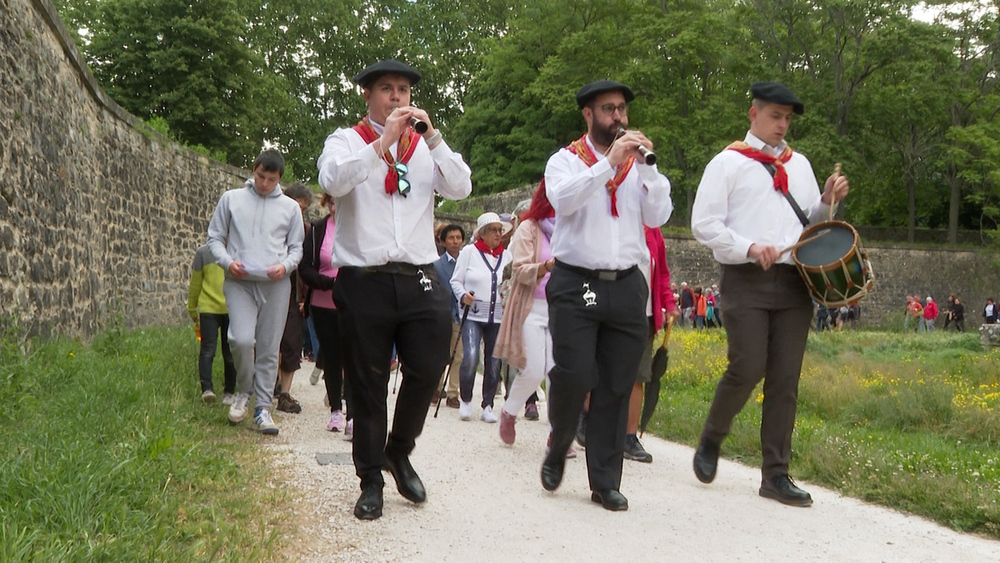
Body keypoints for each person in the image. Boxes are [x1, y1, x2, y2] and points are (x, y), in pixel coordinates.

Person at [316, 59, 472, 520]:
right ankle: (369, 479)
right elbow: (332, 180)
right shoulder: (345, 140)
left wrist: (435, 138)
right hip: (365, 278)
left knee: (427, 367)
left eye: (403, 89)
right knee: (367, 381)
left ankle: (398, 449)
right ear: (367, 95)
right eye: (387, 89)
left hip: (420, 273)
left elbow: (461, 187)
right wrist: (380, 144)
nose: (397, 97)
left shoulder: (423, 144)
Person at [690, 81, 849, 507]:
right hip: (746, 278)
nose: (782, 125)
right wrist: (747, 247)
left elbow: (810, 223)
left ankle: (775, 474)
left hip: (796, 281)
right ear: (753, 114)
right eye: (775, 116)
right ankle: (712, 437)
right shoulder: (727, 163)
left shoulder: (801, 165)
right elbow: (704, 224)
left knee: (785, 378)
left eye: (787, 118)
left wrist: (827, 202)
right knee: (748, 366)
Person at [540, 79, 672, 512]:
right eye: (609, 109)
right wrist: (606, 165)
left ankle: (605, 480)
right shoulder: (565, 161)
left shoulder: (637, 168)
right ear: (588, 115)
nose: (618, 117)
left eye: (622, 110)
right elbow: (563, 201)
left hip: (626, 285)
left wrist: (648, 170)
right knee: (575, 374)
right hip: (577, 282)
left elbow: (659, 215)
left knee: (617, 383)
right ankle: (559, 443)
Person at [207, 150, 304, 436]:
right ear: (254, 169)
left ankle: (262, 408)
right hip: (239, 281)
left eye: (271, 179)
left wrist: (285, 267)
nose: (263, 183)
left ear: (279, 179)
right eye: (260, 176)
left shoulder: (290, 208)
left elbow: (297, 248)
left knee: (269, 345)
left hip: (275, 284)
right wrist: (227, 262)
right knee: (239, 338)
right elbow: (214, 238)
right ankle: (243, 391)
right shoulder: (231, 199)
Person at [494, 185, 566, 448]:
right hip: (532, 308)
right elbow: (520, 269)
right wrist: (547, 266)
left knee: (557, 372)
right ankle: (510, 411)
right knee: (534, 369)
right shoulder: (528, 228)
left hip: (563, 310)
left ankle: (558, 434)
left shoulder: (571, 230)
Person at [622, 225, 679, 463]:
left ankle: (629, 437)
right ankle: (589, 421)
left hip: (644, 315)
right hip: (612, 311)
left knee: (638, 376)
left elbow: (662, 274)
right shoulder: (615, 220)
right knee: (602, 372)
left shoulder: (653, 232)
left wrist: (668, 303)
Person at [450, 212, 513, 423]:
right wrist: (463, 295)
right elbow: (455, 281)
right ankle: (466, 399)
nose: (498, 234)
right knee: (470, 357)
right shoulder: (469, 252)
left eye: (500, 230)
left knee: (494, 362)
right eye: (494, 230)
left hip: (498, 316)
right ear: (483, 233)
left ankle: (488, 405)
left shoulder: (507, 256)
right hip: (474, 314)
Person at [298, 192, 352, 436]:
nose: (334, 207)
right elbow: (305, 267)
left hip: (354, 303)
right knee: (331, 357)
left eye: (339, 203)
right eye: (331, 202)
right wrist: (328, 283)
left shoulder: (360, 229)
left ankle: (354, 414)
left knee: (353, 358)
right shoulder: (318, 230)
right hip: (323, 303)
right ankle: (335, 410)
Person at [275, 183, 314, 414]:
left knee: (291, 343)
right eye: (296, 207)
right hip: (272, 289)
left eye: (303, 209)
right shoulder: (274, 227)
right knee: (269, 342)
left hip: (295, 295)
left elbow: (307, 267)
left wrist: (305, 297)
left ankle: (284, 393)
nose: (299, 213)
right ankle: (267, 386)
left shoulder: (308, 232)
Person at [187, 244, 237, 404]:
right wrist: (192, 309)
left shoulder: (237, 250)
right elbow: (195, 283)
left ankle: (229, 391)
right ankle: (207, 390)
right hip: (209, 309)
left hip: (232, 308)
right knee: (208, 350)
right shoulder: (203, 253)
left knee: (230, 353)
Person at [432, 224, 466, 409]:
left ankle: (453, 392)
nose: (455, 241)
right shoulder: (437, 265)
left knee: (458, 355)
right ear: (443, 242)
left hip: (460, 315)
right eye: (451, 238)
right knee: (440, 353)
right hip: (442, 314)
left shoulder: (466, 262)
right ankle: (436, 388)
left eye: (458, 237)